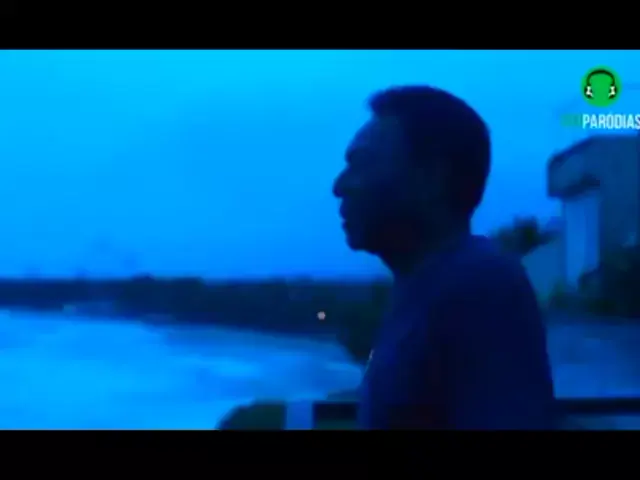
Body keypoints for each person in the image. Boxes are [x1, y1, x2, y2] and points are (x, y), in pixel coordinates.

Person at [332, 86, 556, 430]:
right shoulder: (426, 285)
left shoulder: (480, 285)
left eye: (361, 164)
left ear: (432, 179)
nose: (339, 186)